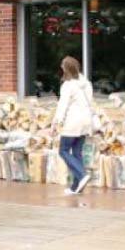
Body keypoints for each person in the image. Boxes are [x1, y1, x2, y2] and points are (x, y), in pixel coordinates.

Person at [51, 56, 94, 195]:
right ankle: (76, 187)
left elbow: (62, 106)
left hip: (73, 121)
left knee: (63, 150)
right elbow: (91, 102)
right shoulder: (86, 83)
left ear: (65, 69)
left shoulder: (68, 85)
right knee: (76, 153)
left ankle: (82, 175)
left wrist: (56, 123)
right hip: (86, 121)